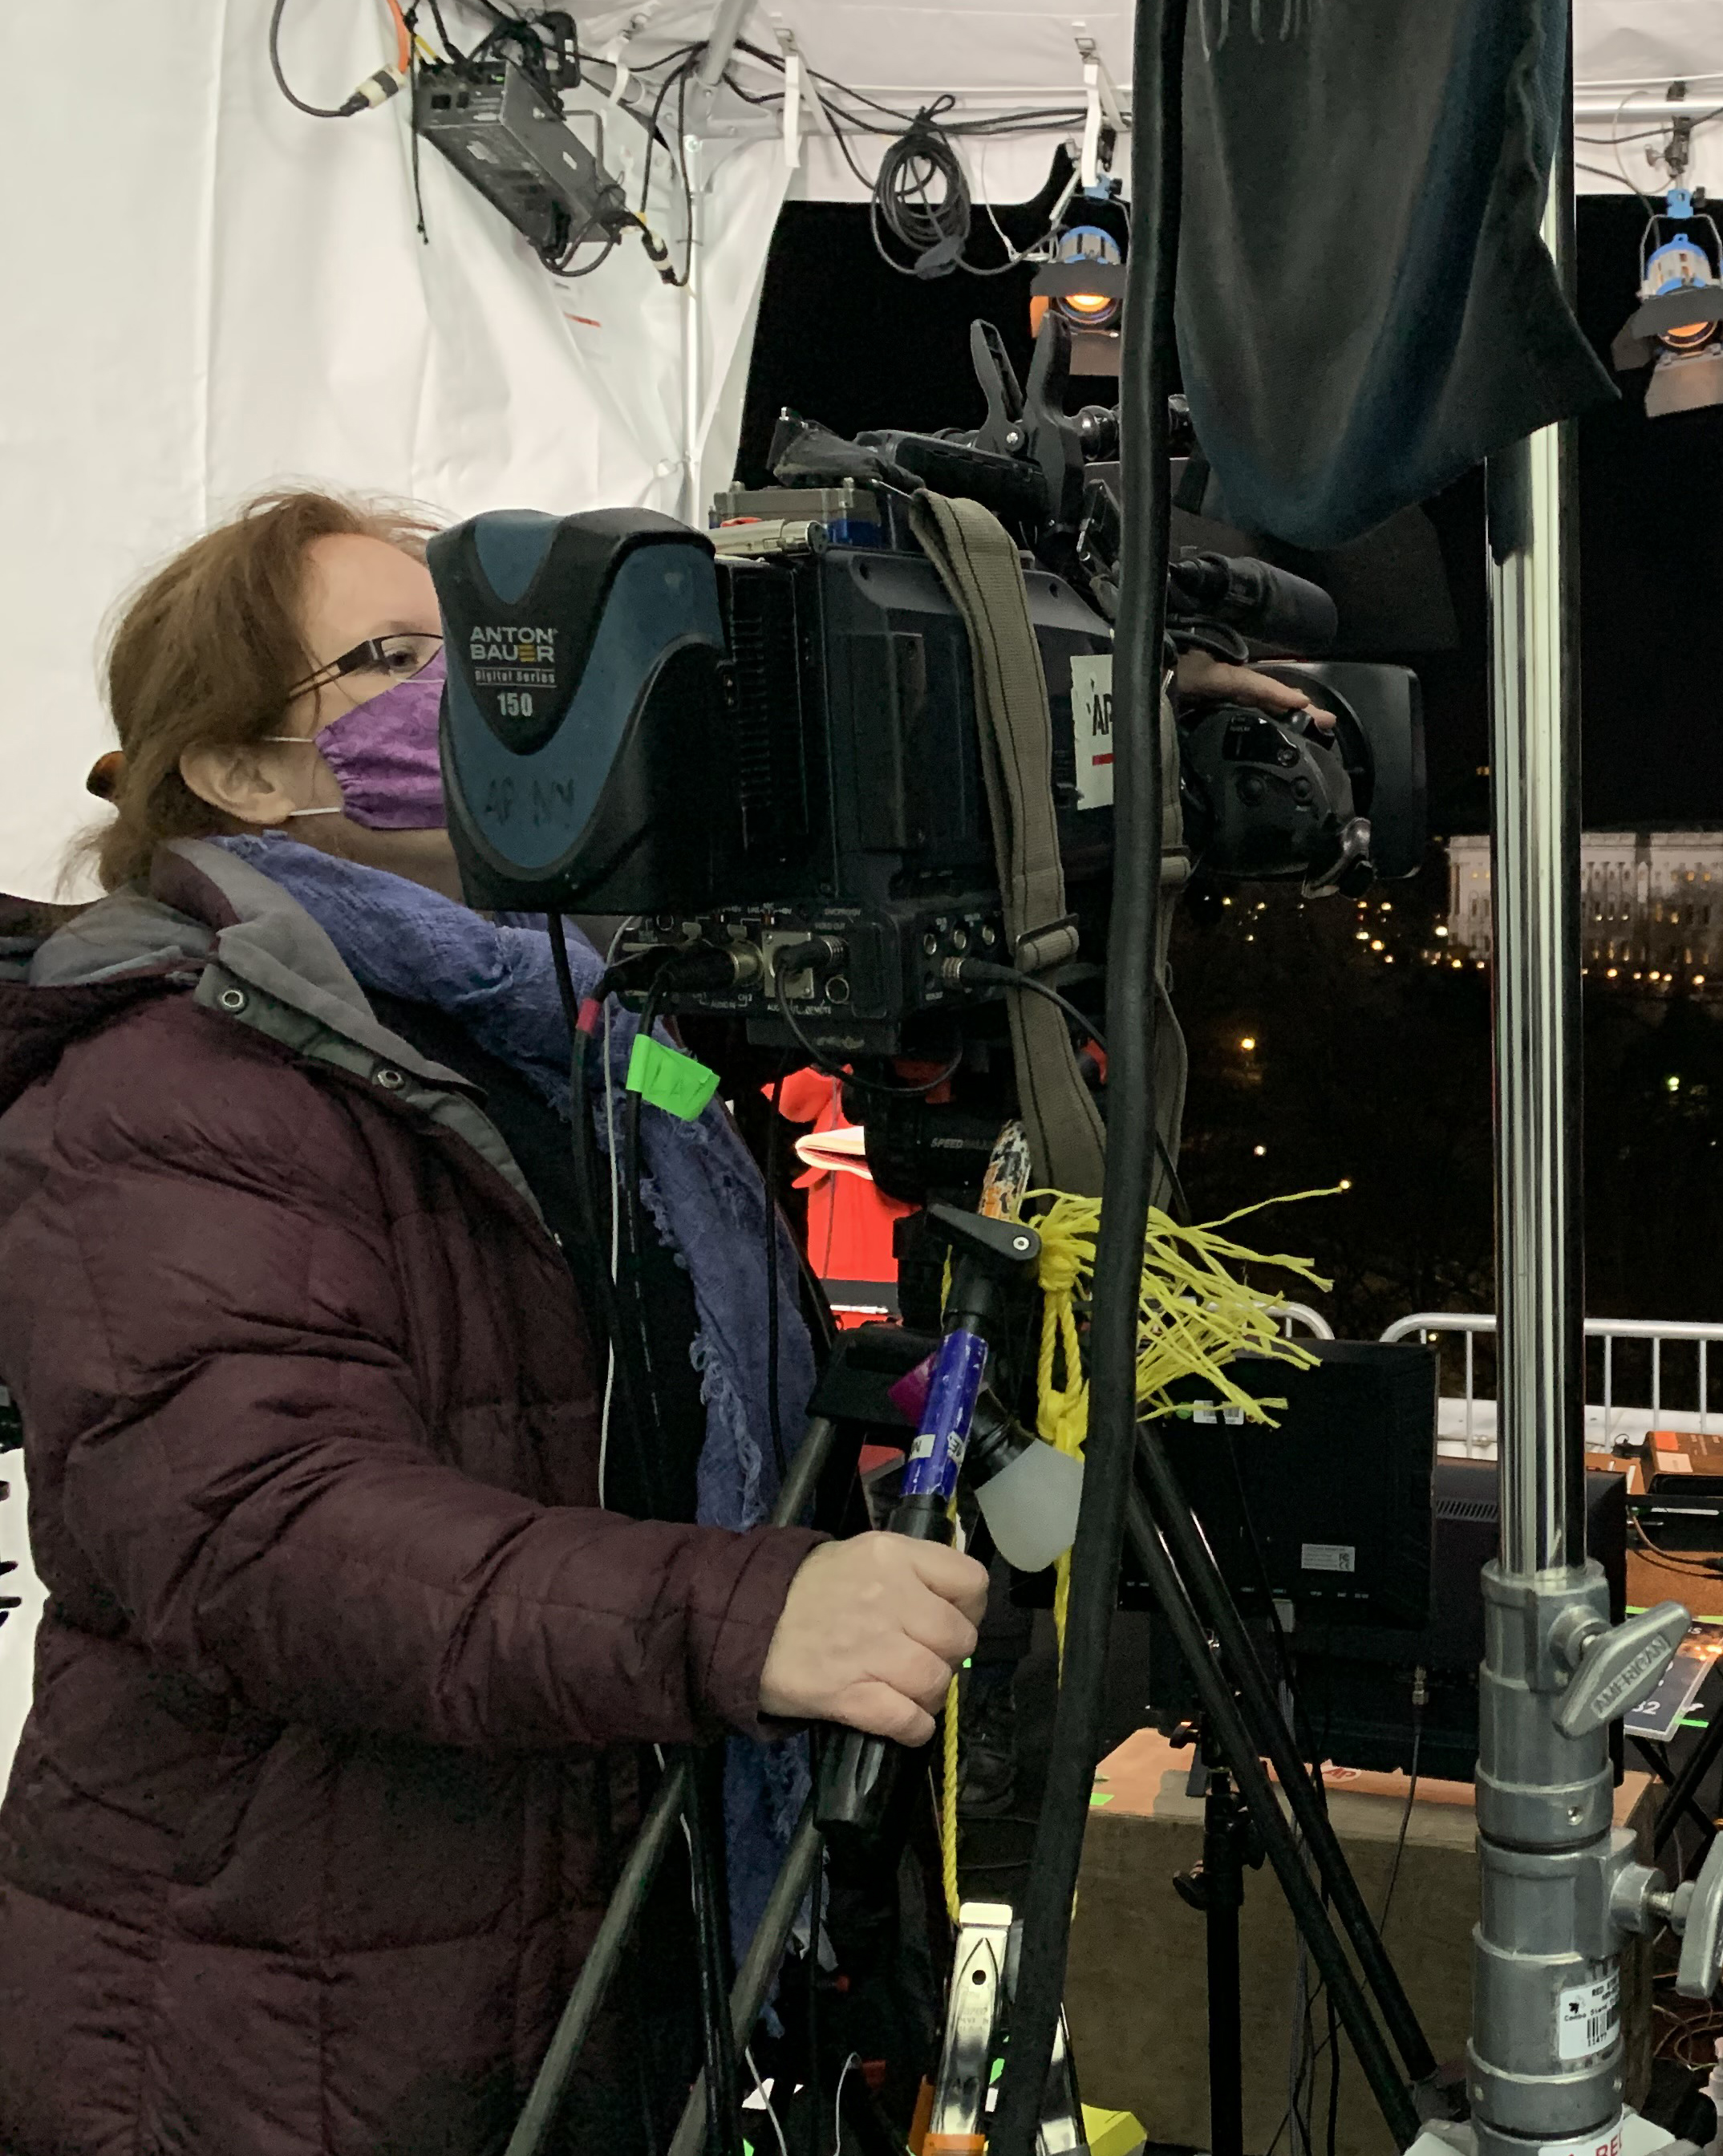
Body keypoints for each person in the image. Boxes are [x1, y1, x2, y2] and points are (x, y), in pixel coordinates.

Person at [0, 489, 993, 2154]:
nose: (470, 695)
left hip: (579, 1968)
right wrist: (739, 1619)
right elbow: (260, 1532)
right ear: (238, 773)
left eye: (487, 655)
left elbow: (667, 1359)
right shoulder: (174, 1069)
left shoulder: (595, 1044)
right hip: (285, 2039)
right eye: (394, 659)